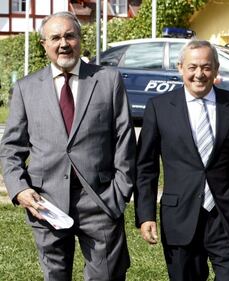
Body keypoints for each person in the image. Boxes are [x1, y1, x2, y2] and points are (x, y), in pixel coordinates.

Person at [0, 11, 136, 281]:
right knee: (56, 276)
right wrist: (20, 189)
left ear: (80, 39)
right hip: (46, 202)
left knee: (107, 276)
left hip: (100, 199)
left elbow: (124, 139)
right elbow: (11, 148)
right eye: (55, 38)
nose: (63, 43)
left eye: (69, 36)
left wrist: (119, 192)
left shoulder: (107, 80)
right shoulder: (26, 88)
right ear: (44, 44)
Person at [135, 40, 229, 281]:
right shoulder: (159, 108)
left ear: (216, 69)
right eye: (192, 67)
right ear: (180, 68)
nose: (199, 74)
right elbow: (146, 168)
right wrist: (145, 215)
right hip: (180, 217)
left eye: (206, 67)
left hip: (226, 216)